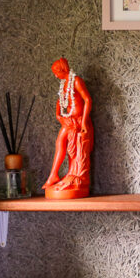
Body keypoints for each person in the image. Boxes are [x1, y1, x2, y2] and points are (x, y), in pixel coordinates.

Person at [42, 58, 93, 199]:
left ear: (62, 70)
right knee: (60, 143)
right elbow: (60, 101)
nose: (55, 75)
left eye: (56, 72)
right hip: (68, 120)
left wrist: (83, 122)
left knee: (70, 147)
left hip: (77, 122)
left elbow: (88, 100)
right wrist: (58, 114)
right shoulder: (64, 84)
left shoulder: (76, 81)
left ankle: (71, 176)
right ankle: (53, 174)